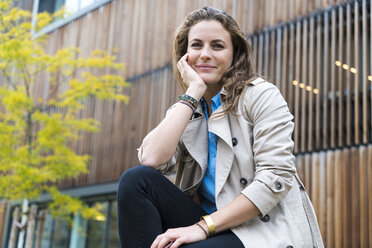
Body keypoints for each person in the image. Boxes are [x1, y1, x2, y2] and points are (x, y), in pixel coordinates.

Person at [117, 6, 324, 248]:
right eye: (196, 45)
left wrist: (202, 228)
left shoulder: (261, 96)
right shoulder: (187, 108)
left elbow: (275, 178)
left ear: (235, 55)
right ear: (185, 56)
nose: (205, 54)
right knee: (136, 180)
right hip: (206, 227)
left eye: (217, 46)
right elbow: (151, 159)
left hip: (260, 230)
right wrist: (193, 91)